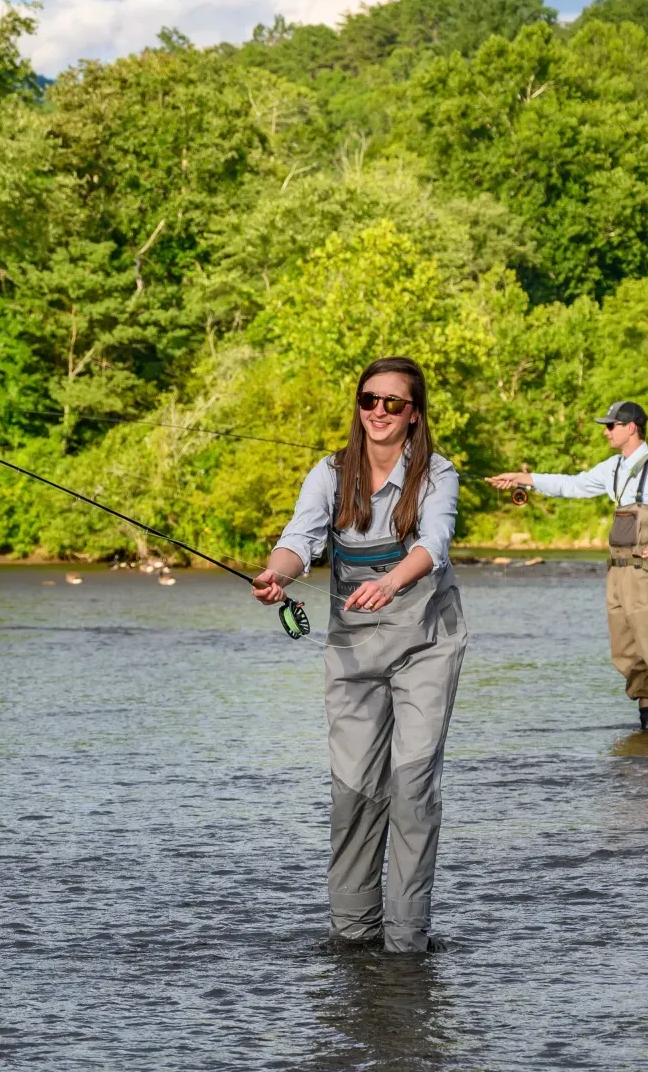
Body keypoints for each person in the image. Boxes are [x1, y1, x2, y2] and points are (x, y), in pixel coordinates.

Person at [250, 356, 465, 954]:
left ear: (414, 415)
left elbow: (435, 543)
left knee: (413, 785)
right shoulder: (330, 472)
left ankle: (405, 942)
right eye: (369, 400)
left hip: (427, 640)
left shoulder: (437, 474)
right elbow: (300, 538)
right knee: (353, 791)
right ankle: (353, 936)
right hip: (352, 644)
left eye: (393, 403)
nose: (378, 411)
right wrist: (277, 575)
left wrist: (393, 581)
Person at [486, 402, 648, 731]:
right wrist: (525, 479)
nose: (606, 431)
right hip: (616, 574)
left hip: (646, 574)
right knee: (627, 655)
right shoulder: (613, 468)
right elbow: (571, 486)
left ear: (631, 427)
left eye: (611, 426)